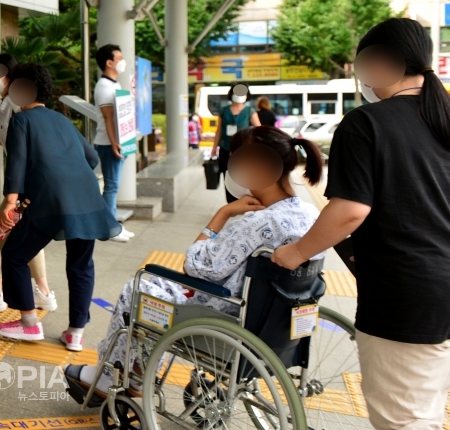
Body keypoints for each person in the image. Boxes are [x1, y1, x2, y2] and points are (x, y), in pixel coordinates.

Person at [272, 18, 450, 430]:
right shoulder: (442, 119)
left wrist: (295, 252)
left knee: (406, 421)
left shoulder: (367, 123)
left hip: (408, 297)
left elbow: (350, 211)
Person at [66, 126, 324, 400]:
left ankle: (109, 377)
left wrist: (222, 214)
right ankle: (139, 374)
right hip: (278, 323)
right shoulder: (309, 213)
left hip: (225, 315)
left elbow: (194, 266)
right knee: (158, 292)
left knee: (139, 288)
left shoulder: (257, 222)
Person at [0, 64, 121, 352]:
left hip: (50, 201)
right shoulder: (62, 121)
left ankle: (29, 324)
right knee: (81, 265)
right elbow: (90, 158)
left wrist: (11, 202)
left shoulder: (22, 121)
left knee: (14, 254)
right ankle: (75, 333)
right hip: (87, 199)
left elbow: (17, 163)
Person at [0, 54, 56, 313]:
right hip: (27, 183)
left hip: (25, 184)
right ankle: (43, 291)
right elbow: (11, 142)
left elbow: (23, 146)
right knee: (27, 238)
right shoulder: (7, 103)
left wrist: (11, 199)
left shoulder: (17, 105)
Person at [92, 44, 134, 242]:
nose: (122, 61)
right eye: (119, 58)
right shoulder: (104, 86)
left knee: (113, 186)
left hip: (116, 142)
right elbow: (108, 118)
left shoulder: (114, 84)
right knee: (111, 186)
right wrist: (115, 142)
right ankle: (110, 229)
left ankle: (114, 225)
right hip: (109, 144)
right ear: (109, 63)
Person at [213, 84, 262, 202]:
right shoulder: (224, 110)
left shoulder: (250, 111)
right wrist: (214, 147)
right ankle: (231, 203)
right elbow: (219, 130)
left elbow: (259, 129)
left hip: (243, 151)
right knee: (228, 177)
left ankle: (244, 200)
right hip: (225, 149)